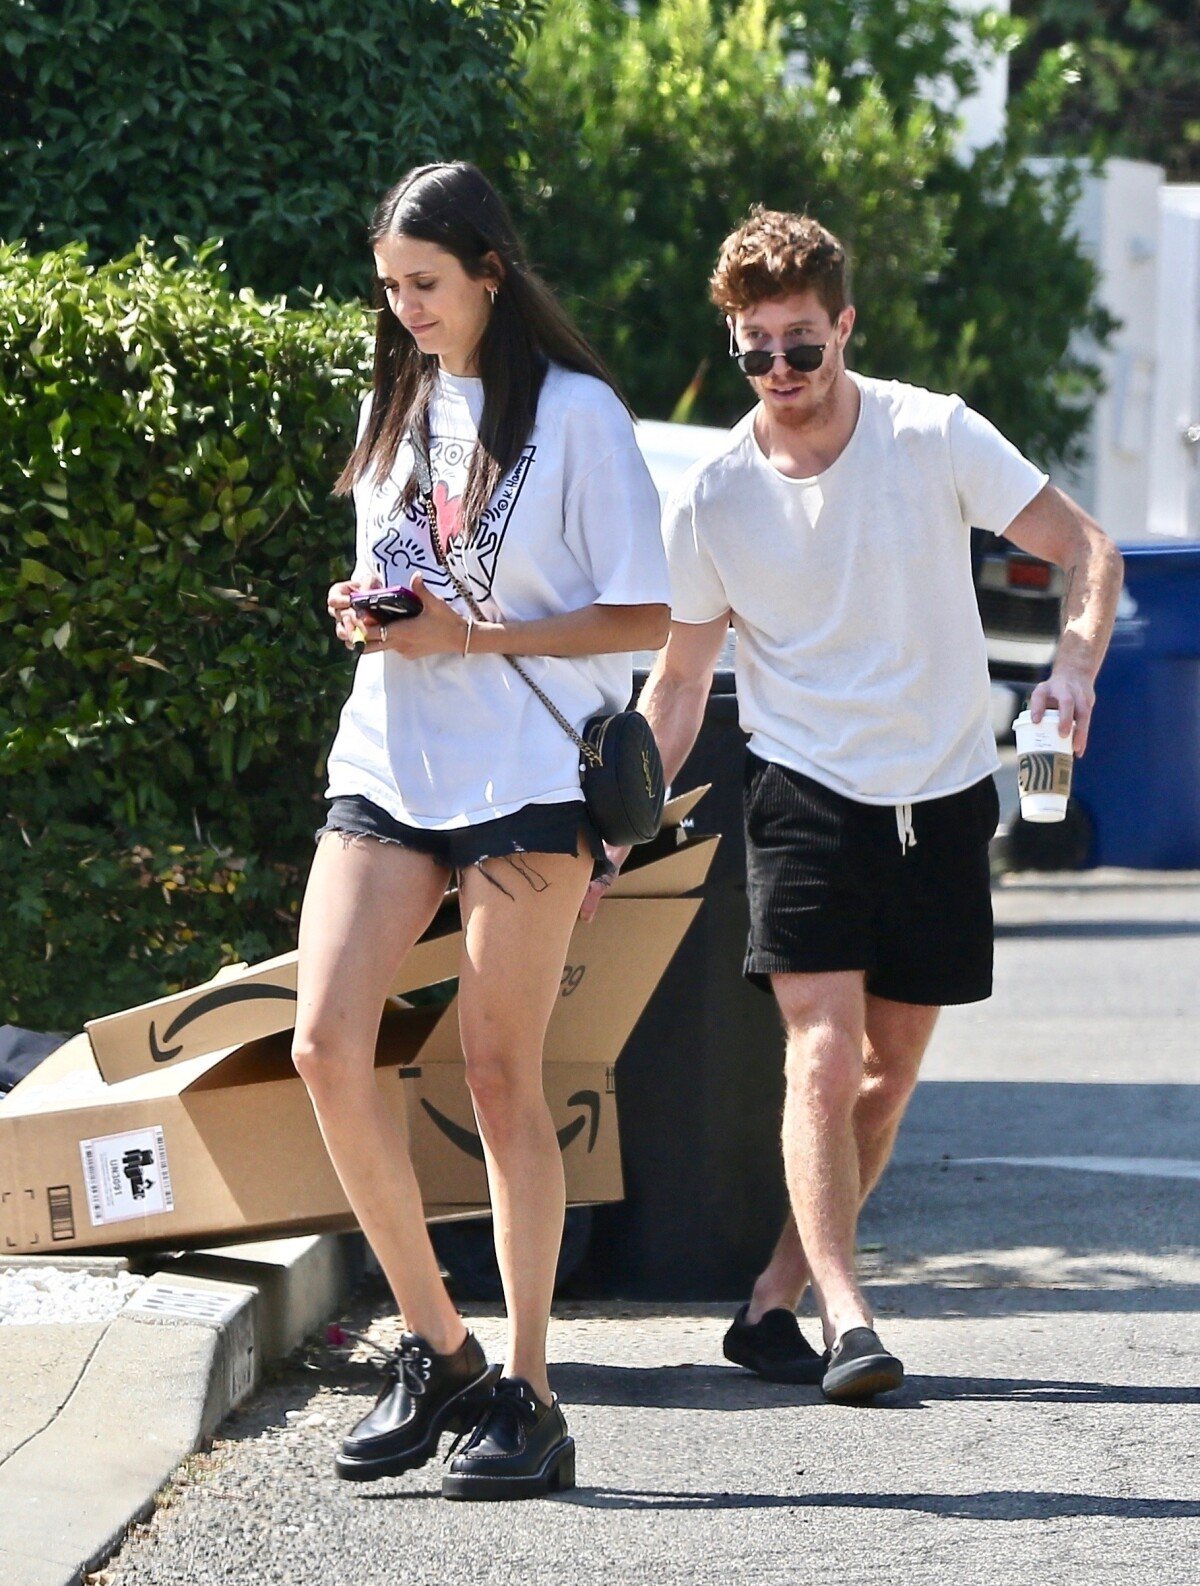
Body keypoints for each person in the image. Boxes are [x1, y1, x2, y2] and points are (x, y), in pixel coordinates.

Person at [582, 206, 1123, 1402]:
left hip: (939, 794)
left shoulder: (932, 435)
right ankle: (848, 1312)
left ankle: (772, 1300)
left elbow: (1087, 549)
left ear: (846, 328)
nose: (781, 372)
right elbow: (677, 686)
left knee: (888, 1071)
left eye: (803, 346)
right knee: (822, 1052)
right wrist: (618, 828)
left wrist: (1073, 667)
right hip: (803, 789)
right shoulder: (714, 498)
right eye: (757, 350)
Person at [292, 161, 670, 1497]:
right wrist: (369, 606)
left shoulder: (579, 418)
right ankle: (437, 1345)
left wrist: (479, 632)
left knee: (501, 1069)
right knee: (326, 1042)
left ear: (491, 272)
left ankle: (531, 1390)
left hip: (529, 769)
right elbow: (407, 566)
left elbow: (642, 618)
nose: (406, 313)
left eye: (427, 286)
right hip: (393, 753)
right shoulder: (395, 403)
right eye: (390, 288)